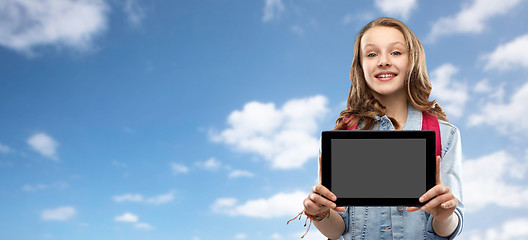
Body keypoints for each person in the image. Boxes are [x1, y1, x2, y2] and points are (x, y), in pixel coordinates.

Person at [301, 17, 464, 239]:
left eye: (396, 52)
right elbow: (339, 230)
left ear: (412, 60)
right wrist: (320, 214)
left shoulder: (445, 135)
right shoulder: (340, 138)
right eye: (371, 54)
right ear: (360, 66)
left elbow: (449, 227)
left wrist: (444, 216)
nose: (383, 61)